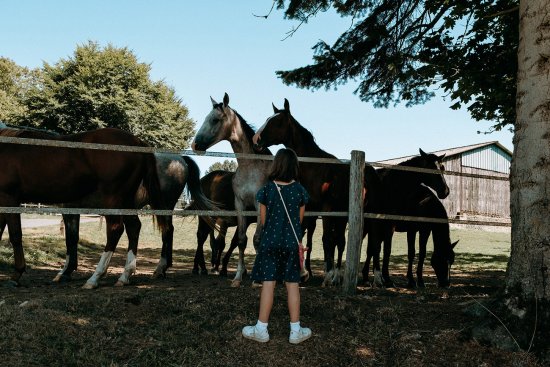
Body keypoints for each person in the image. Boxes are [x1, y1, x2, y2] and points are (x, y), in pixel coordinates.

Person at [242, 148, 312, 344]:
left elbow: (263, 221)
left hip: (270, 243)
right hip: (291, 244)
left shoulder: (267, 189)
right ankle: (296, 331)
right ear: (294, 166)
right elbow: (298, 221)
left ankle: (261, 329)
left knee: (268, 284)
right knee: (292, 286)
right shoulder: (299, 190)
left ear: (276, 165)